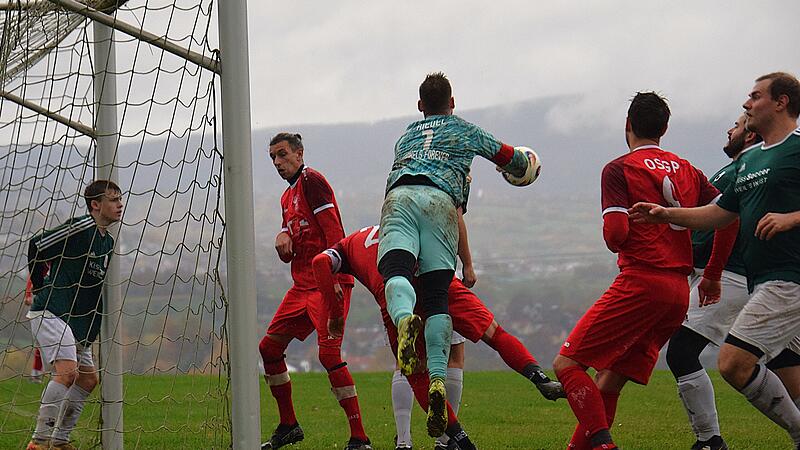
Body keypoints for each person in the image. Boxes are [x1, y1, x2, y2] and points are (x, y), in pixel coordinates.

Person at [630, 72, 800, 448]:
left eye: (754, 96)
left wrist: (792, 218)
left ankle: (717, 440)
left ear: (781, 102)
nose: (745, 104)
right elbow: (719, 214)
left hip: (787, 280)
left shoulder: (797, 148)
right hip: (761, 281)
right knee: (785, 369)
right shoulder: (750, 159)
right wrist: (665, 214)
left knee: (729, 362)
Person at [552, 92, 726, 450]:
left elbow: (615, 236)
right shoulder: (689, 170)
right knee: (608, 382)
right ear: (663, 129)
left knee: (567, 364)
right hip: (678, 293)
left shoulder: (619, 169)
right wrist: (712, 273)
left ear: (628, 125)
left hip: (642, 282)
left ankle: (604, 445)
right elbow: (729, 216)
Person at [312, 225, 564, 450]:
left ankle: (453, 440)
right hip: (436, 277)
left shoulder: (347, 247)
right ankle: (539, 377)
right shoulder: (398, 222)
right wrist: (466, 263)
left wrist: (335, 313)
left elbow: (319, 263)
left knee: (414, 371)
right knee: (494, 333)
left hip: (393, 290)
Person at [378, 72, 533, 437]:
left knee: (395, 271)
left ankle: (402, 320)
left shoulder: (406, 137)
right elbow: (515, 160)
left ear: (420, 106)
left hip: (399, 198)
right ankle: (436, 379)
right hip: (441, 205)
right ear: (452, 102)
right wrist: (519, 167)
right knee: (436, 301)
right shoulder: (465, 129)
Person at [259, 133, 371, 450]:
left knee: (328, 355)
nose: (278, 163)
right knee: (268, 349)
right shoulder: (286, 196)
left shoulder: (313, 181)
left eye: (282, 155)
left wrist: (334, 279)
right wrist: (283, 239)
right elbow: (292, 235)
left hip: (327, 283)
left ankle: (359, 438)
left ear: (299, 153)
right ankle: (288, 424)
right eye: (273, 158)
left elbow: (335, 231)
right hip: (301, 286)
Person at [25, 179, 124, 450]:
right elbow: (37, 245)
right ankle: (39, 441)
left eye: (120, 199)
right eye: (113, 199)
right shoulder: (80, 226)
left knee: (89, 379)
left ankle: (60, 441)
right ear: (95, 204)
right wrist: (39, 284)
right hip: (52, 311)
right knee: (67, 373)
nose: (119, 204)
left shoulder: (107, 241)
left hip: (78, 322)